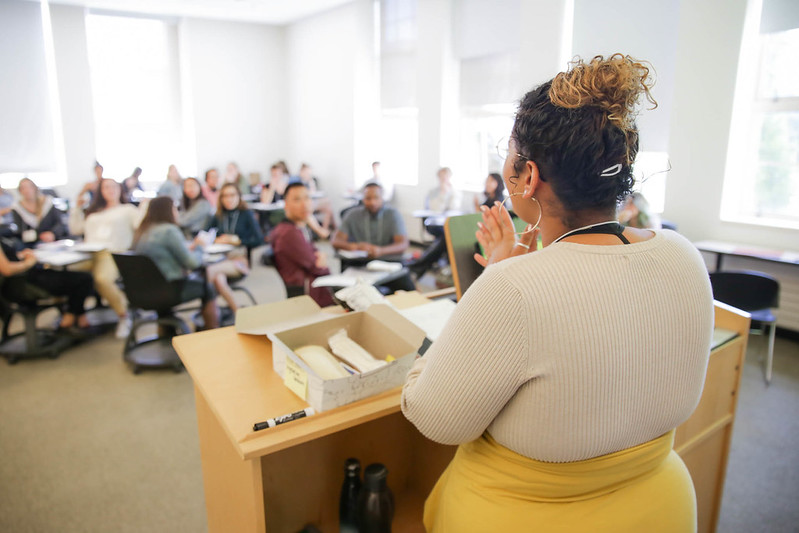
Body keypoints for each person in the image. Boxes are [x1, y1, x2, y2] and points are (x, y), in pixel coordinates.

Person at [401, 54, 713, 532]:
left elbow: (436, 418)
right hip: (661, 508)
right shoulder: (685, 256)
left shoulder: (512, 288)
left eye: (509, 153)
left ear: (528, 176)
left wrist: (495, 280)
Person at [70, 178, 144, 338]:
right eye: (106, 187)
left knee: (102, 279)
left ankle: (124, 314)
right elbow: (75, 229)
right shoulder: (94, 212)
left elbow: (142, 227)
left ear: (120, 189)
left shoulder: (128, 209)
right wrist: (76, 207)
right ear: (101, 192)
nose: (110, 190)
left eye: (113, 186)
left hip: (112, 252)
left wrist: (145, 207)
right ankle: (73, 313)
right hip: (87, 252)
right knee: (64, 274)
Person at [133, 197, 219, 330]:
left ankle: (166, 331)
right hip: (170, 289)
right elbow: (192, 263)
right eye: (175, 208)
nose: (177, 212)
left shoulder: (142, 231)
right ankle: (212, 331)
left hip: (143, 289)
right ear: (168, 210)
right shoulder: (169, 231)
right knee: (208, 288)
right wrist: (200, 247)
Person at [332, 182, 415, 292]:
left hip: (387, 263)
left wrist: (381, 251)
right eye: (368, 198)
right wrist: (354, 246)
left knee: (409, 290)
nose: (372, 202)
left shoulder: (393, 215)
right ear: (363, 199)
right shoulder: (352, 215)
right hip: (361, 264)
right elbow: (335, 241)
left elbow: (403, 243)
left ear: (382, 198)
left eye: (376, 198)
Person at [0, 238, 94, 331]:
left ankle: (79, 317)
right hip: (24, 285)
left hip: (24, 280)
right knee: (84, 279)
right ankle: (68, 320)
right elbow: (6, 270)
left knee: (76, 277)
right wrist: (28, 263)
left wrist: (20, 256)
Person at [269, 182, 334, 307]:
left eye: (307, 198)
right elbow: (316, 266)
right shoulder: (289, 233)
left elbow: (314, 254)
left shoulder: (297, 227)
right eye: (297, 199)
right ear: (286, 204)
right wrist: (321, 259)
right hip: (307, 295)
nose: (305, 204)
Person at [205, 183, 263, 312]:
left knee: (209, 272)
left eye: (232, 195)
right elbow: (203, 234)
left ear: (239, 196)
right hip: (218, 258)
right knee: (219, 279)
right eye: (225, 196)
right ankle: (237, 313)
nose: (229, 199)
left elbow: (259, 240)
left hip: (238, 260)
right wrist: (216, 239)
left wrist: (237, 241)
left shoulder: (246, 214)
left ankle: (208, 310)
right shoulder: (218, 214)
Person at [11, 178, 68, 246]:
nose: (27, 190)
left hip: (54, 240)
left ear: (35, 188)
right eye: (23, 188)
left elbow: (60, 223)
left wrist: (52, 233)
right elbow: (21, 231)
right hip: (32, 244)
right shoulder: (18, 208)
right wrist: (40, 236)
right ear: (20, 191)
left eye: (29, 187)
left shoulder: (48, 202)